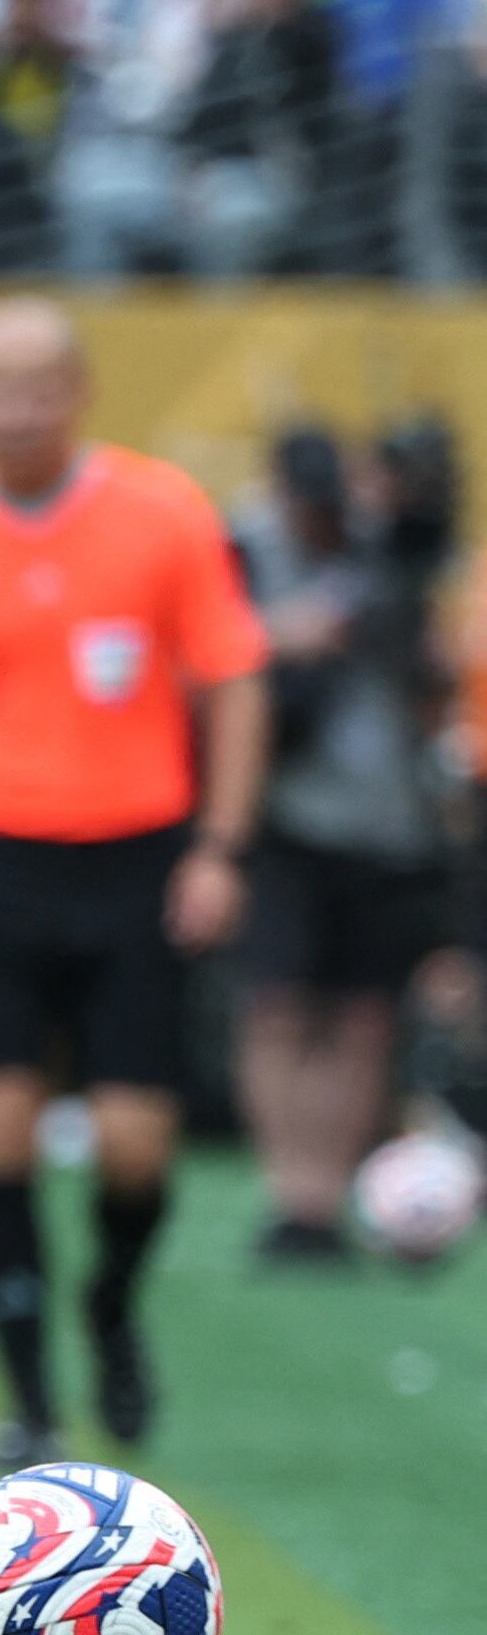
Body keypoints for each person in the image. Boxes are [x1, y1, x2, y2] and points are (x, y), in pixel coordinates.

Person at [0, 297, 269, 1468]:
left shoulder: (159, 515)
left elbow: (233, 679)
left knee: (136, 1142)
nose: (16, 407)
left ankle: (110, 1308)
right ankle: (28, 1400)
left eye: (39, 384)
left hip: (133, 857)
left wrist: (217, 847)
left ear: (79, 390)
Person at [234, 419, 464, 1258]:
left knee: (364, 1013)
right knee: (279, 1003)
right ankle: (290, 1190)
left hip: (387, 821)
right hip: (290, 814)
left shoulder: (381, 555)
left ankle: (324, 1200)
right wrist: (284, 637)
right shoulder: (246, 551)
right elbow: (201, 656)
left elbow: (427, 639)